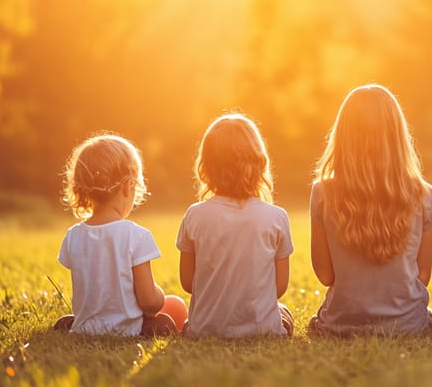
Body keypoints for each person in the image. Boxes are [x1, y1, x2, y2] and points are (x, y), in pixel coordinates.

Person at [308, 84, 432, 336]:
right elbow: (422, 276)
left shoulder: (322, 192)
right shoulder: (423, 194)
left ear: (343, 134)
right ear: (396, 134)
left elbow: (325, 275)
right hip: (407, 325)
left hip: (340, 323)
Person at [54, 133, 186, 336]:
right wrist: (160, 295)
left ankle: (78, 326)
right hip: (129, 329)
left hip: (86, 329)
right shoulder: (136, 236)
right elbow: (149, 303)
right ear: (128, 187)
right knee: (172, 308)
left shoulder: (73, 236)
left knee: (68, 321)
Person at [176, 114, 295, 338]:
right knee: (284, 312)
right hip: (263, 330)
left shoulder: (194, 215)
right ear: (259, 163)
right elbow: (279, 288)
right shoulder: (276, 217)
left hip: (203, 330)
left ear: (206, 166)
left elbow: (188, 283)